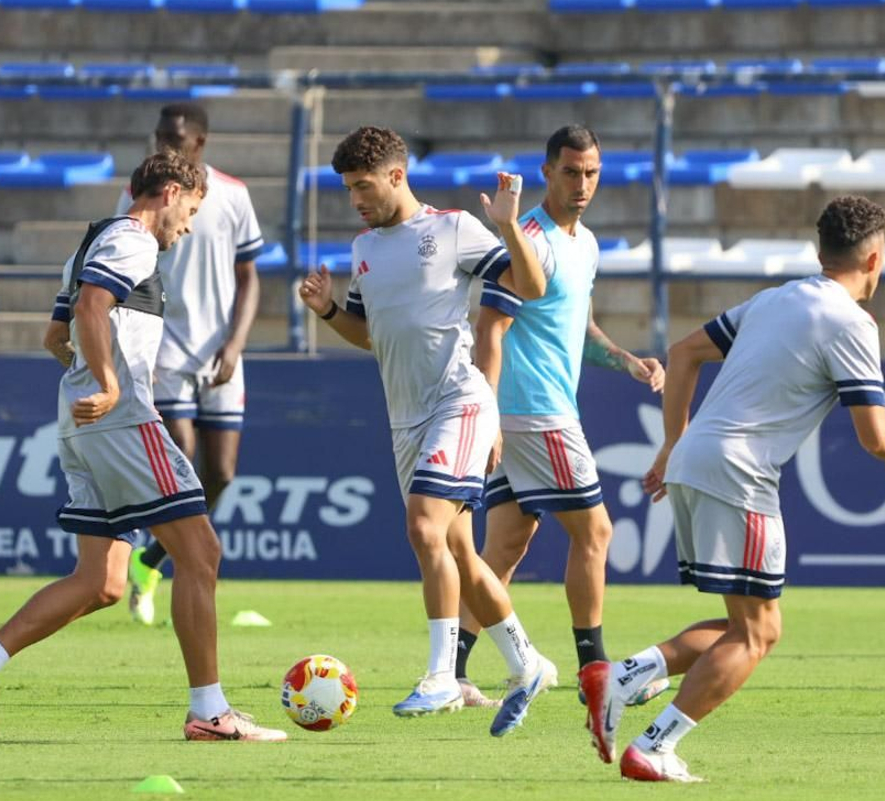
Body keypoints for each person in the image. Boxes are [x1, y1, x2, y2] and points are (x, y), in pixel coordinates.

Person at [0, 149, 285, 743]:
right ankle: (209, 711)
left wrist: (89, 377)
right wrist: (108, 383)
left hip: (82, 425)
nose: (189, 227)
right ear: (171, 192)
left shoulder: (92, 242)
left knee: (101, 581)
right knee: (200, 552)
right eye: (192, 211)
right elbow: (91, 306)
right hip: (123, 420)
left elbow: (56, 335)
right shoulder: (134, 240)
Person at [596, 196, 885, 782]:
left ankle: (623, 677)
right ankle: (653, 745)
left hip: (696, 460)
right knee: (759, 633)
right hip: (740, 473)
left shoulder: (776, 298)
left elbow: (683, 353)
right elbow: (877, 439)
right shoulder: (852, 323)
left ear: (820, 251)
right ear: (874, 260)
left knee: (745, 625)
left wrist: (673, 444)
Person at [297, 125, 556, 735]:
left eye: (363, 186)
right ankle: (527, 663)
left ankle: (441, 676)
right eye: (348, 189)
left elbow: (533, 286)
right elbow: (370, 334)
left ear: (397, 176)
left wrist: (508, 227)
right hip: (405, 419)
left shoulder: (453, 228)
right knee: (459, 551)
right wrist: (328, 310)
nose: (355, 199)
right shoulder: (364, 247)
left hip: (459, 401)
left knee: (422, 525)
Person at [453, 126, 669, 743]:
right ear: (548, 173)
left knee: (504, 547)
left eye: (592, 172)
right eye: (571, 172)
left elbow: (580, 326)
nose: (582, 184)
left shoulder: (585, 243)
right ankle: (593, 670)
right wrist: (488, 413)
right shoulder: (528, 241)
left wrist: (625, 360)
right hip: (536, 412)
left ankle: (452, 671)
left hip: (525, 412)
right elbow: (490, 327)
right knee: (595, 532)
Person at [91, 104, 263, 626]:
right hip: (163, 345)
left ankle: (150, 560)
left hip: (218, 348)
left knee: (222, 473)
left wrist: (235, 344)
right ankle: (187, 557)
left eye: (175, 137)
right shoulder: (141, 193)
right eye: (161, 135)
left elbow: (249, 277)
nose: (165, 144)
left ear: (200, 142)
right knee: (180, 456)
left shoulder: (232, 194)